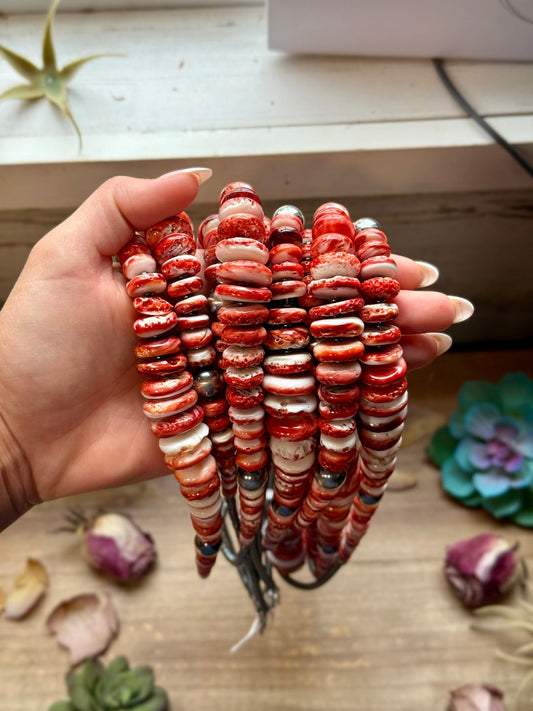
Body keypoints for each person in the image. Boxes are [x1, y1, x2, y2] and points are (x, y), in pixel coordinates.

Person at [0, 167, 473, 531]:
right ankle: (281, 532)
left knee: (296, 498)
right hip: (237, 441)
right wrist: (12, 441)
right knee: (287, 503)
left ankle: (274, 531)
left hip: (256, 445)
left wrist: (15, 446)